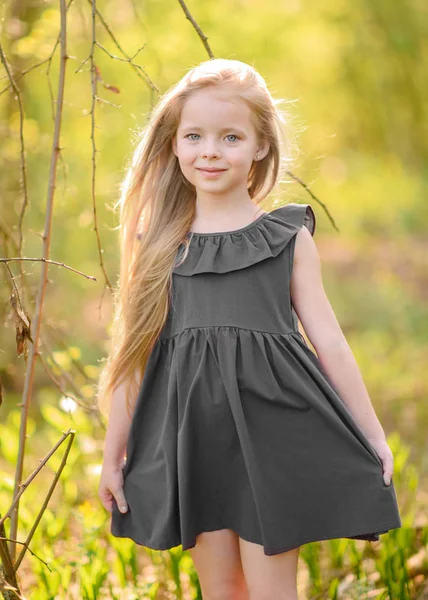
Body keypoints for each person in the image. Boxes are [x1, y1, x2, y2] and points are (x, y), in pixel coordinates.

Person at [97, 58, 402, 600]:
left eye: (230, 137)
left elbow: (328, 340)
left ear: (260, 146)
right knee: (221, 590)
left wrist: (372, 433)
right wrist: (113, 454)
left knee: (273, 591)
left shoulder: (285, 237)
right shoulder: (160, 245)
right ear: (173, 144)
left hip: (272, 440)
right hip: (195, 444)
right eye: (194, 136)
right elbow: (133, 354)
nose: (210, 150)